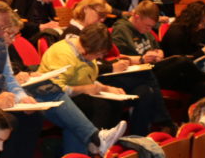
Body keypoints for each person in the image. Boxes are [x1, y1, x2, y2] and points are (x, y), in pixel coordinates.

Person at [0, 0, 127, 158]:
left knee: (33, 116)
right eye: (0, 28)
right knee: (9, 121)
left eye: (5, 29)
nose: (3, 34)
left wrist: (21, 98)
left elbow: (9, 78)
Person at [39, 23, 168, 136]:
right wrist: (86, 89)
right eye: (99, 54)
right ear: (90, 49)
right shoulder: (63, 54)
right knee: (101, 105)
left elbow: (87, 79)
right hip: (54, 97)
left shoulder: (86, 50)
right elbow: (56, 89)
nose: (100, 57)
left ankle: (107, 142)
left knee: (122, 99)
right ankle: (97, 144)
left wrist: (106, 88)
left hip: (75, 93)